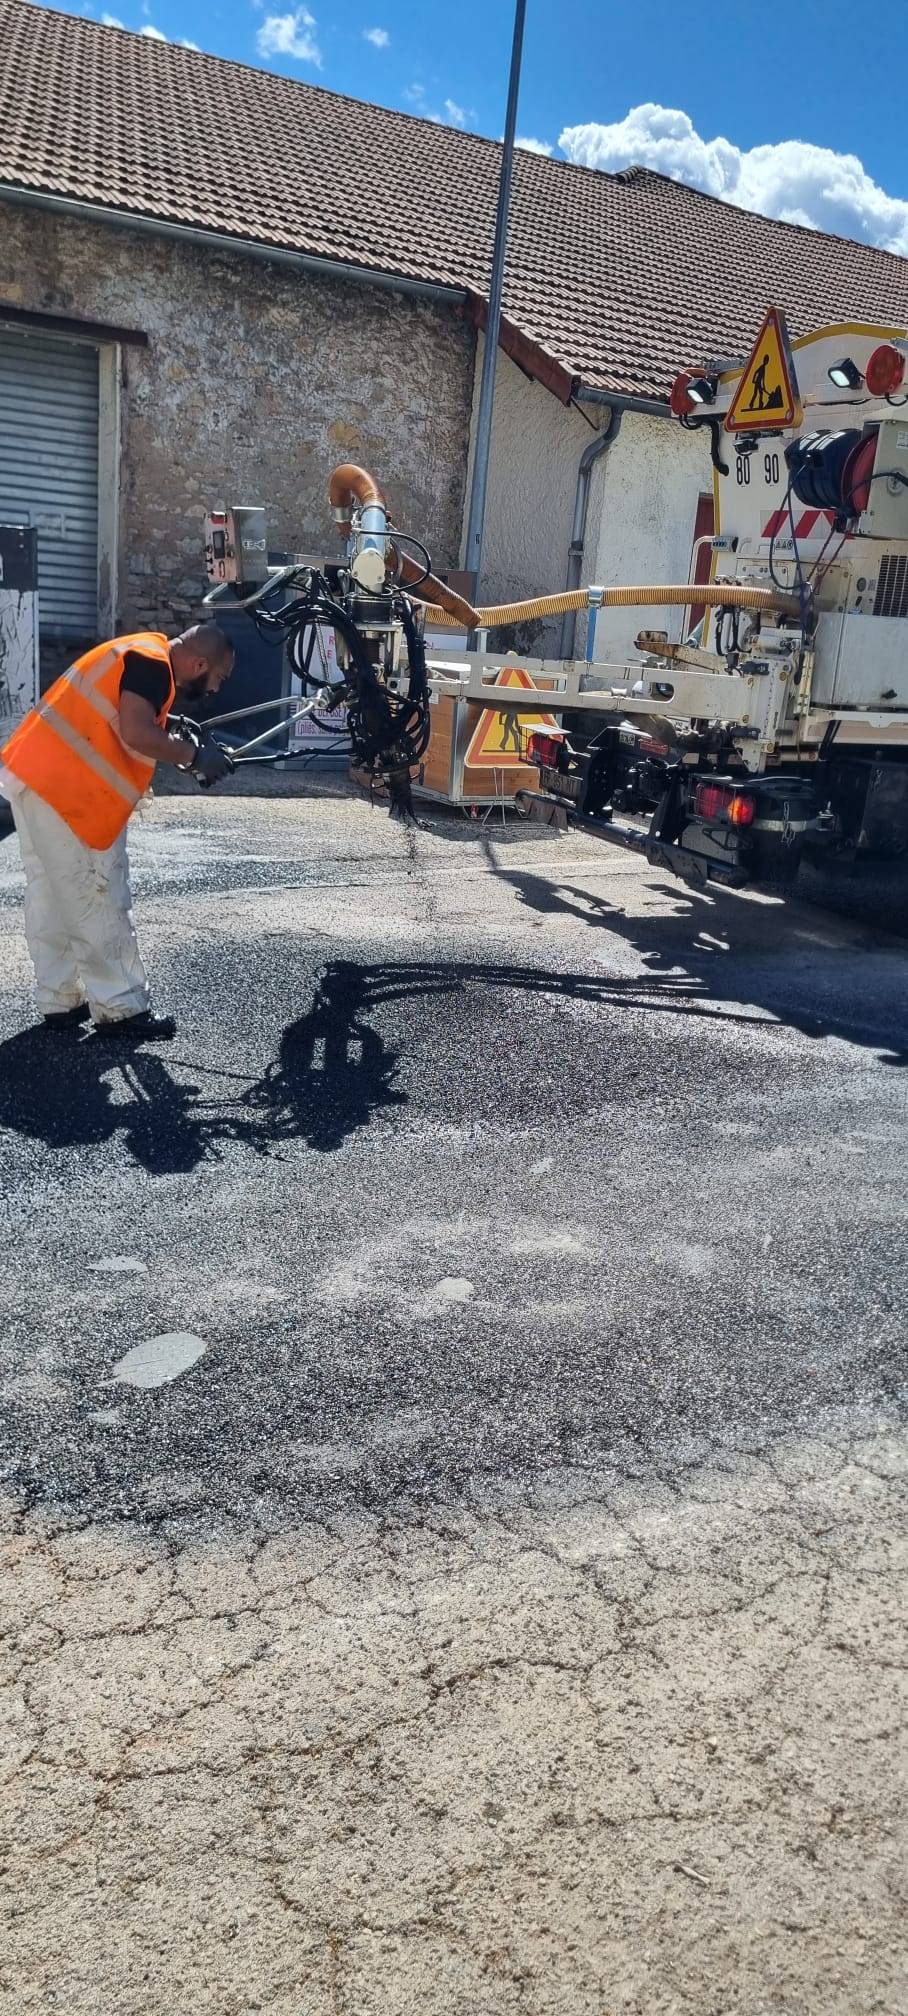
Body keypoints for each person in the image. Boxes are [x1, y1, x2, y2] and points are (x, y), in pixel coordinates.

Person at [0, 622, 235, 1040]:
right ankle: (121, 1007)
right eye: (220, 677)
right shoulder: (153, 664)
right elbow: (135, 731)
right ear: (200, 664)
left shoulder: (140, 650)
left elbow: (118, 716)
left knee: (52, 895)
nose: (216, 688)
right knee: (98, 893)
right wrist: (193, 756)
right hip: (70, 794)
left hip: (37, 777)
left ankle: (60, 999)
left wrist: (173, 731)